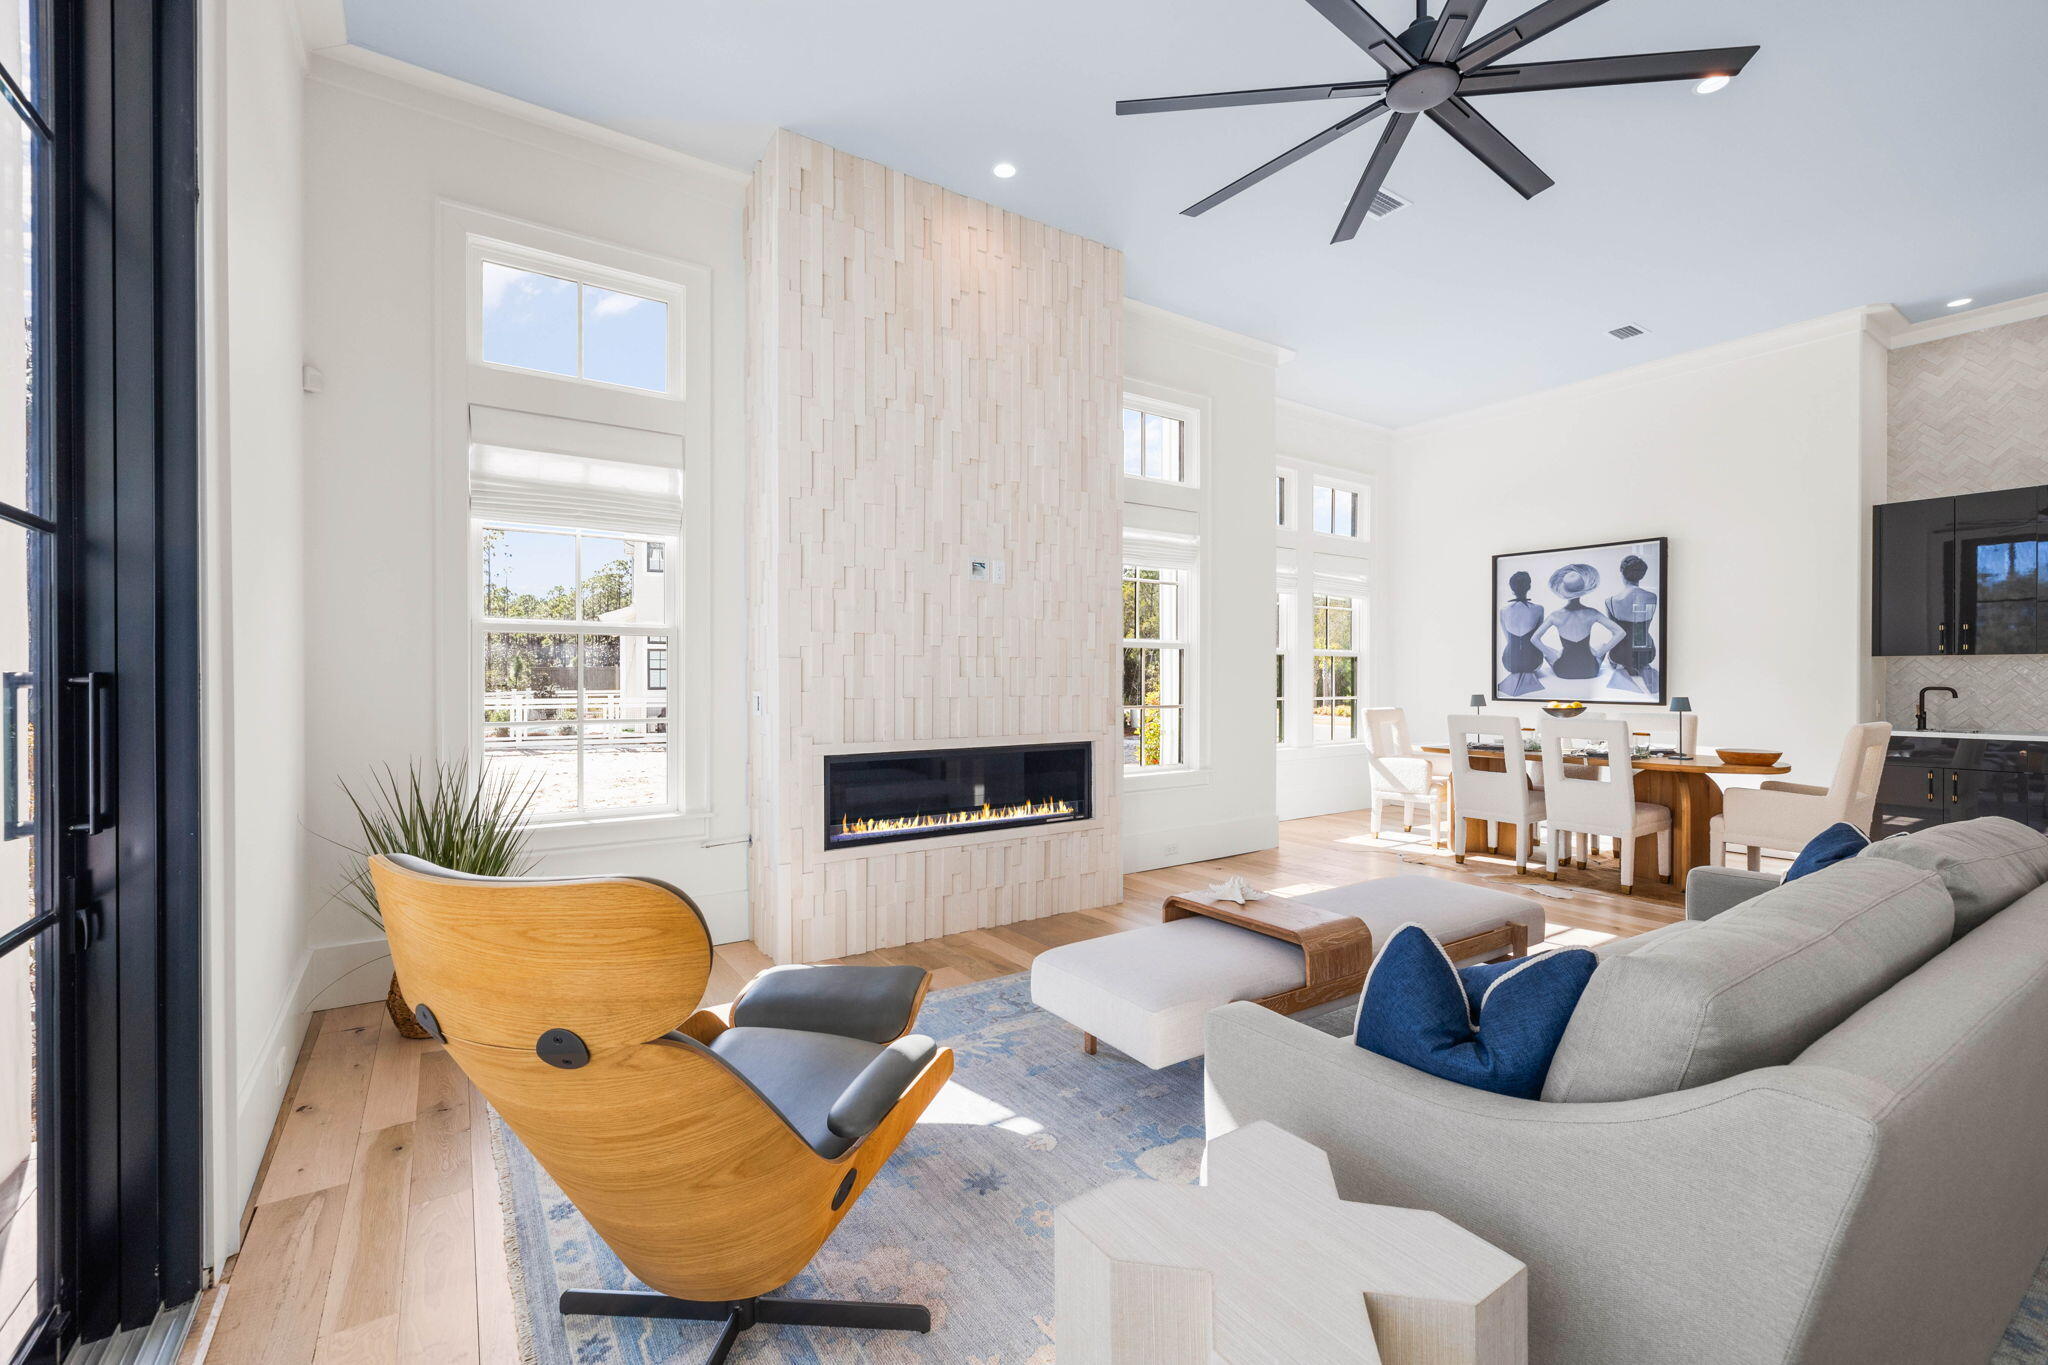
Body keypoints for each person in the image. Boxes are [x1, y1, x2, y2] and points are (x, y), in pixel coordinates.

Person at [1536, 563, 1624, 682]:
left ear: (1563, 590)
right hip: (1590, 670)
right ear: (1582, 591)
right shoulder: (1592, 613)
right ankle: (1591, 653)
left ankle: (1562, 654)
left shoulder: (1555, 616)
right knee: (1601, 646)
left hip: (1564, 671)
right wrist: (1599, 653)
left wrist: (1553, 655)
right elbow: (1620, 632)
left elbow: (1534, 639)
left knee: (1552, 653)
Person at [1603, 554, 1660, 696]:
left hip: (1620, 654)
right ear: (1641, 575)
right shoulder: (1652, 597)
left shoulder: (1611, 601)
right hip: (1647, 652)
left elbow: (1615, 633)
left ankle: (1624, 669)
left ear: (1622, 573)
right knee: (1639, 646)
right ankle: (1640, 667)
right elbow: (1645, 622)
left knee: (1614, 655)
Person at [1497, 570, 1546, 696]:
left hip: (1509, 662)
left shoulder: (1503, 611)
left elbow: (1508, 638)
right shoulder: (1539, 609)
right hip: (1533, 662)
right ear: (1529, 587)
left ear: (1512, 589)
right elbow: (1537, 638)